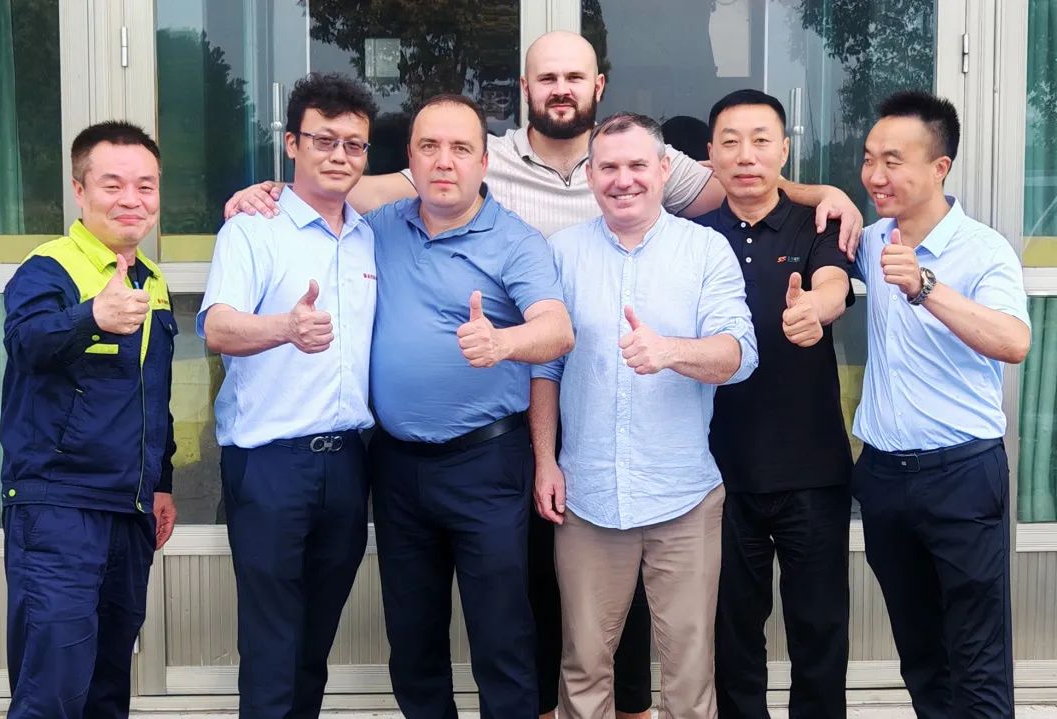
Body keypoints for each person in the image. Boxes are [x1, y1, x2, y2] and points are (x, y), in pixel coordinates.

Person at [223, 30, 867, 719]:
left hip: (598, 471)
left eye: (575, 77)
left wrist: (825, 192)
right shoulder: (397, 220)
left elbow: (741, 187)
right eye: (430, 148)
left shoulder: (614, 238)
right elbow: (343, 188)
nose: (623, 178)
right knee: (444, 641)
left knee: (599, 647)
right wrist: (276, 192)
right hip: (439, 466)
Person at [530, 112, 757, 719]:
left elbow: (739, 354)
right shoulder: (562, 253)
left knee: (689, 667)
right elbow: (545, 368)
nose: (623, 179)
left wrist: (670, 352)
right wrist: (545, 460)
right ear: (591, 176)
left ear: (663, 169)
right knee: (583, 663)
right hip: (587, 496)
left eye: (637, 165)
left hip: (683, 496)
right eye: (608, 167)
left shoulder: (704, 250)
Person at [367, 93, 573, 719]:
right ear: (409, 159)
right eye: (429, 147)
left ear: (484, 162)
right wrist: (261, 192)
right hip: (397, 467)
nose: (444, 161)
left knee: (501, 636)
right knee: (412, 639)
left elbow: (557, 330)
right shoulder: (378, 227)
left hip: (486, 466)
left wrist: (503, 342)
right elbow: (313, 199)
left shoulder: (515, 241)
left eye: (461, 148)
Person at [197, 73, 378, 719]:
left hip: (349, 463)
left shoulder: (370, 235)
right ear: (293, 144)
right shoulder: (254, 229)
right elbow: (218, 327)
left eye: (354, 144)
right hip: (271, 464)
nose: (339, 155)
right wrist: (285, 328)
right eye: (324, 140)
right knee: (272, 643)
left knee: (314, 642)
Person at [852, 90, 1031, 718]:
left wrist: (925, 285)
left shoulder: (984, 249)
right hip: (883, 477)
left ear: (939, 167)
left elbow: (1014, 341)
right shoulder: (870, 239)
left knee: (977, 654)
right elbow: (815, 216)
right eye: (869, 158)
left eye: (892, 160)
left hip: (961, 475)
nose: (875, 174)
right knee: (920, 651)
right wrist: (818, 194)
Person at [0, 120, 178, 719]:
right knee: (52, 689)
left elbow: (153, 393)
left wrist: (162, 483)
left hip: (129, 510)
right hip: (58, 509)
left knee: (106, 687)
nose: (132, 199)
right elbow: (26, 343)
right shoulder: (48, 268)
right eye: (113, 185)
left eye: (146, 186)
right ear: (80, 191)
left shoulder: (152, 280)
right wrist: (91, 316)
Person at [695, 90, 854, 719]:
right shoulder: (692, 238)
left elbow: (834, 284)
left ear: (784, 150)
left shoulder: (816, 223)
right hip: (719, 473)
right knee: (734, 634)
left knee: (819, 630)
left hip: (811, 470)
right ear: (709, 155)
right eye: (730, 142)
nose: (746, 155)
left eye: (761, 140)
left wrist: (816, 307)